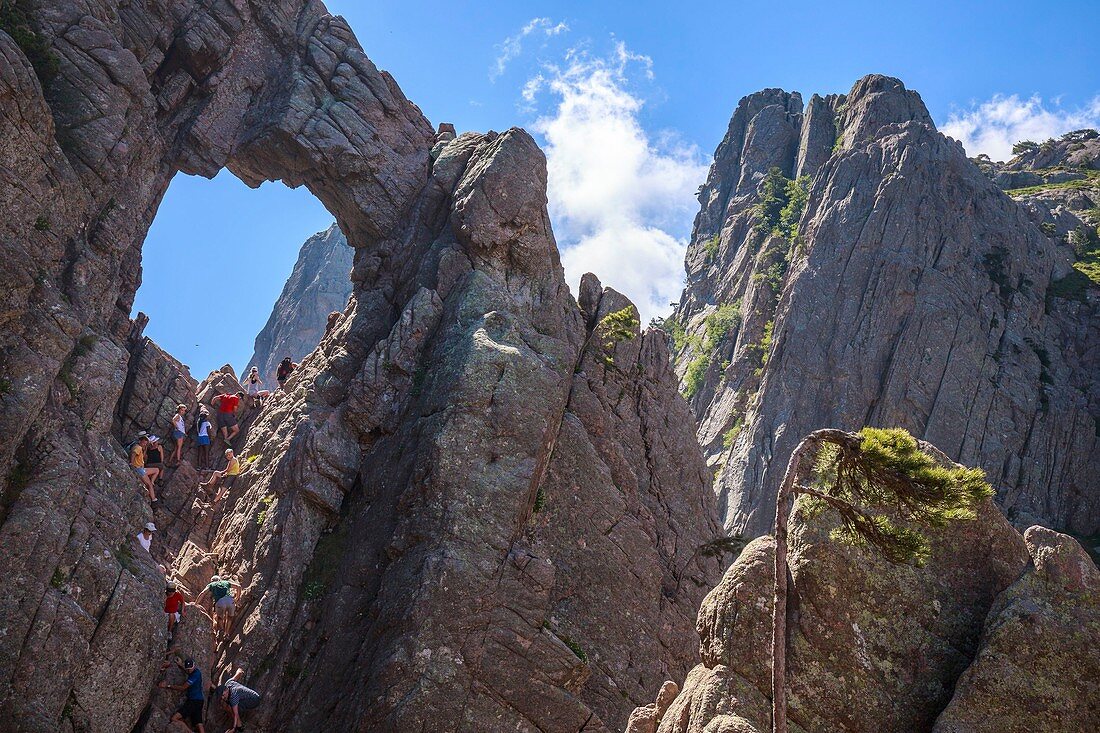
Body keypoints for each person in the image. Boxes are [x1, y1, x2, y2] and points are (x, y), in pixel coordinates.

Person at [158, 657, 205, 733]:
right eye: (188, 669)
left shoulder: (195, 675)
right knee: (198, 723)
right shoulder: (196, 672)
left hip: (193, 701)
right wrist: (180, 665)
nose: (189, 670)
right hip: (199, 701)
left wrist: (168, 686)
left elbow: (183, 687)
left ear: (194, 666)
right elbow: (188, 672)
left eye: (190, 668)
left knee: (174, 718)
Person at [130, 433, 160, 502]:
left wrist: (145, 448)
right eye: (144, 442)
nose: (145, 444)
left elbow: (142, 456)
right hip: (139, 469)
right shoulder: (138, 447)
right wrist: (131, 463)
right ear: (141, 441)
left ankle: (152, 482)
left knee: (156, 470)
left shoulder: (139, 447)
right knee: (149, 485)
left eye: (146, 442)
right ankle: (153, 499)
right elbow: (134, 453)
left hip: (141, 468)